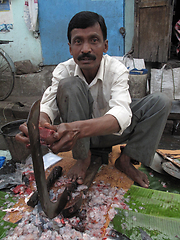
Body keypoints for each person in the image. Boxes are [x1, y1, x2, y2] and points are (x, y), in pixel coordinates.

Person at [16, 11, 171, 188]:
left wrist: (75, 129)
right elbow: (47, 106)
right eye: (78, 42)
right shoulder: (63, 70)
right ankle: (83, 159)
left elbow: (121, 114)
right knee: (69, 84)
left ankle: (126, 161)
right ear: (70, 48)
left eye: (94, 40)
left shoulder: (117, 69)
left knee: (161, 102)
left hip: (111, 135)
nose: (86, 49)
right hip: (79, 142)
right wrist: (39, 127)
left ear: (105, 46)